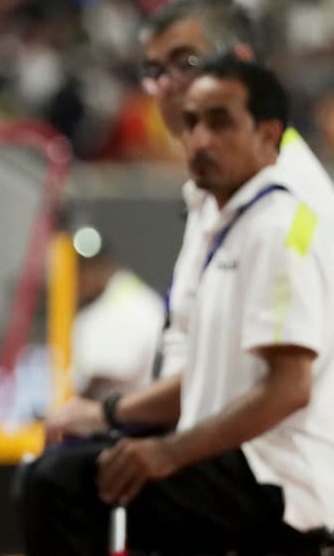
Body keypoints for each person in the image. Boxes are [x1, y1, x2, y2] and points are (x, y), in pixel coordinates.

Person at [21, 56, 334, 555]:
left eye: (220, 122)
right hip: (231, 462)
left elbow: (289, 388)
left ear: (268, 137)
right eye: (191, 124)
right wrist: (115, 419)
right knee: (75, 469)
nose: (200, 140)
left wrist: (166, 451)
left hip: (278, 479)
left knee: (61, 483)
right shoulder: (229, 226)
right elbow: (209, 381)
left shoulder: (284, 228)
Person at [44, 0, 334, 440]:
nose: (167, 87)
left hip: (268, 470)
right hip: (211, 446)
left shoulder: (289, 205)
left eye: (185, 64)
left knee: (64, 477)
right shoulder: (217, 191)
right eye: (155, 71)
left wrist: (127, 425)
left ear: (238, 63)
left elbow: (270, 387)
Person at [65, 223, 165, 401]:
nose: (78, 278)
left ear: (103, 265)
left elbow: (101, 376)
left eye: (85, 268)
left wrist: (66, 409)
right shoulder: (125, 294)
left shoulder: (123, 305)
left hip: (131, 420)